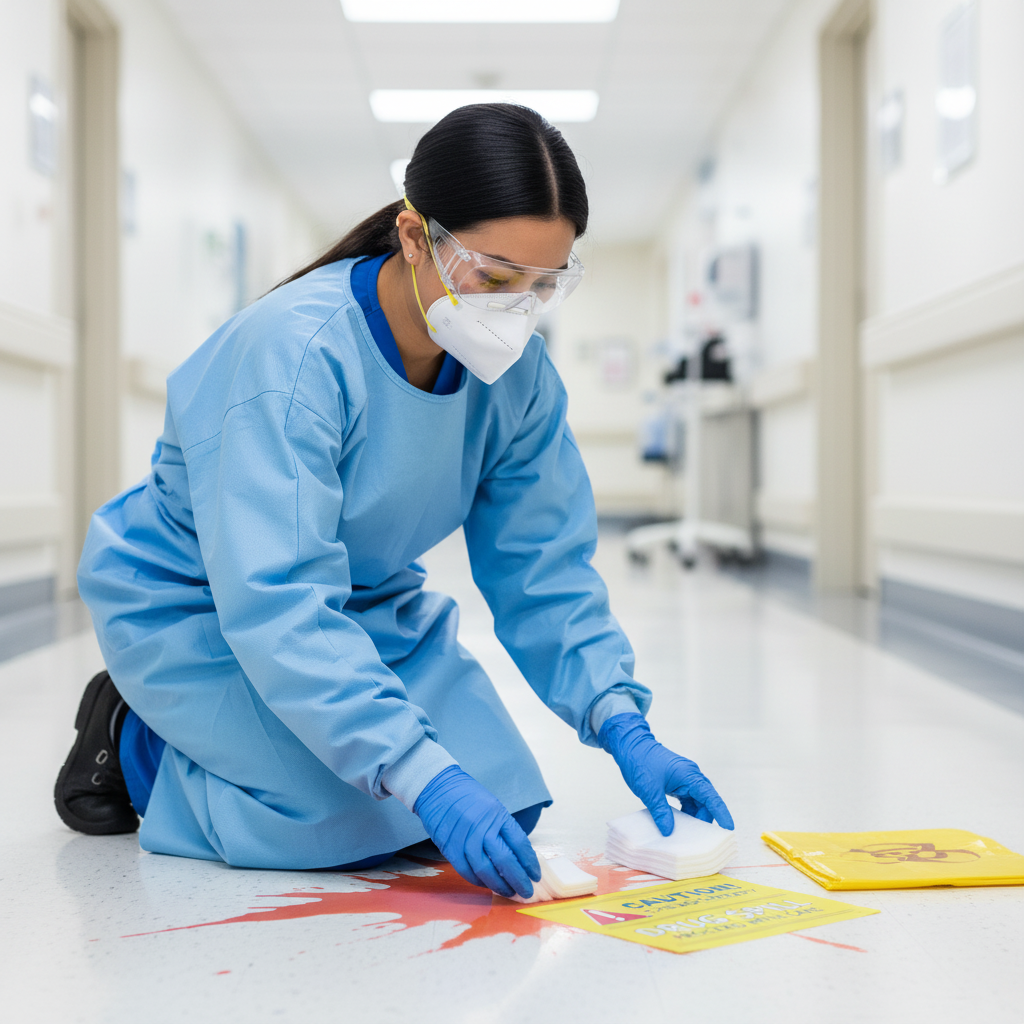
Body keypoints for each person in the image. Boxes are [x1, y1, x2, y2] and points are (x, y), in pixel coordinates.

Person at [54, 104, 733, 899]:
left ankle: (297, 749)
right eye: (495, 274)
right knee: (341, 818)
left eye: (544, 284)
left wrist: (621, 720)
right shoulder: (293, 356)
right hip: (204, 608)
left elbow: (542, 569)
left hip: (360, 603)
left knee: (508, 798)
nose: (517, 308)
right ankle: (136, 740)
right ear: (416, 239)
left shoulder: (518, 383)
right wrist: (421, 773)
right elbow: (278, 598)